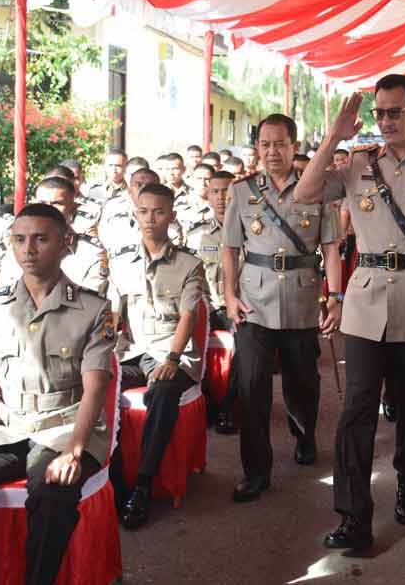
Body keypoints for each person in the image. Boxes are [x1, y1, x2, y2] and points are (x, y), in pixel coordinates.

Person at [294, 76, 405, 553]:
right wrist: (334, 136)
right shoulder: (356, 165)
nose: (387, 121)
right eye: (380, 113)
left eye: (396, 112)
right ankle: (353, 515)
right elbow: (304, 195)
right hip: (366, 302)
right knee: (356, 412)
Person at [0, 204, 114, 585]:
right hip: (8, 425)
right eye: (19, 240)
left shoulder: (92, 308)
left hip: (65, 426)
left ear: (65, 243)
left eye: (40, 239)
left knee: (52, 491)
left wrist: (75, 450)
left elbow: (96, 383)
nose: (28, 250)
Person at [222, 114, 342, 503]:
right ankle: (256, 470)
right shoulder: (241, 192)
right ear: (257, 148)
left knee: (302, 381)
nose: (272, 152)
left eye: (280, 144)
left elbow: (331, 248)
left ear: (294, 147)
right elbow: (229, 247)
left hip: (302, 299)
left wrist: (335, 296)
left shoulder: (316, 189)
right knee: (252, 387)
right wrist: (228, 294)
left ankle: (304, 433)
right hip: (253, 302)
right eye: (265, 144)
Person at [109, 183, 207, 528]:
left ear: (171, 216)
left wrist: (172, 359)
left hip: (174, 353)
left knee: (164, 392)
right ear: (135, 215)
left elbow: (189, 315)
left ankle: (143, 485)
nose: (150, 219)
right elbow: (112, 316)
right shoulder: (120, 262)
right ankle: (114, 481)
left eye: (158, 211)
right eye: (143, 211)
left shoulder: (189, 264)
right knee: (100, 385)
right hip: (136, 353)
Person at [186, 169, 237, 433]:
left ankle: (231, 408)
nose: (221, 197)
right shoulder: (196, 234)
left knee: (244, 346)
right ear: (207, 194)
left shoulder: (251, 230)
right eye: (215, 191)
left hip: (237, 306)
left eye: (226, 190)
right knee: (191, 345)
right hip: (206, 306)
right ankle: (208, 406)